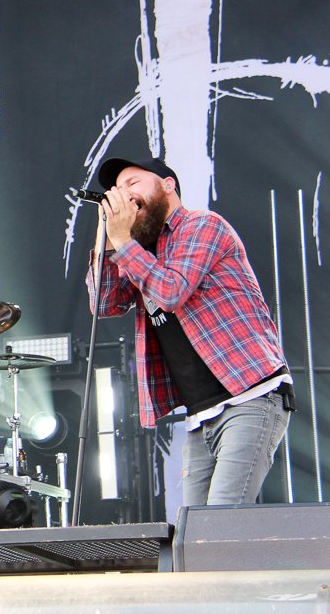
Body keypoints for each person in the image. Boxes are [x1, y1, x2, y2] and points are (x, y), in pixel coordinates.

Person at [85, 157, 293, 506]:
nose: (123, 193)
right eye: (117, 190)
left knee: (220, 527)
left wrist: (124, 243)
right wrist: (108, 238)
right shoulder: (141, 252)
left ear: (167, 184)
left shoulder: (201, 226)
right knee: (193, 533)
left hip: (250, 396)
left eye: (132, 183)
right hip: (202, 414)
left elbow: (170, 292)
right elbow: (104, 305)